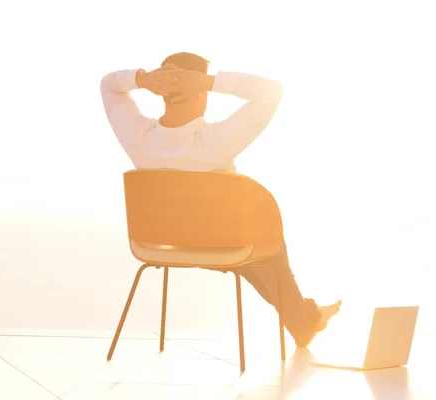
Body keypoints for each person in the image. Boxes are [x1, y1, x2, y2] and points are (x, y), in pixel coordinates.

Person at [100, 52, 341, 348]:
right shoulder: (215, 142)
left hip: (167, 243)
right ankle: (305, 322)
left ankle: (309, 316)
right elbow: (272, 92)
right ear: (201, 92)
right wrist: (209, 81)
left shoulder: (138, 138)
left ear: (161, 93)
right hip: (222, 244)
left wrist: (143, 79)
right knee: (266, 255)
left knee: (256, 265)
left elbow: (109, 85)